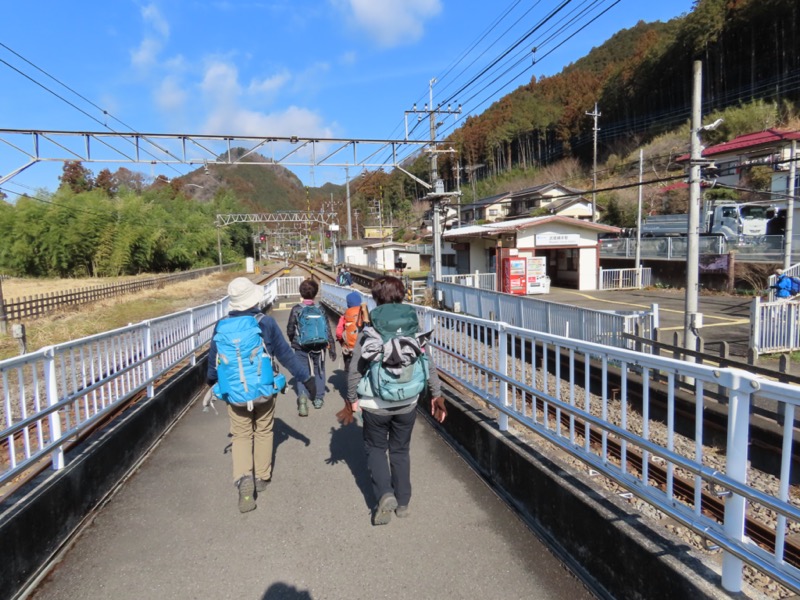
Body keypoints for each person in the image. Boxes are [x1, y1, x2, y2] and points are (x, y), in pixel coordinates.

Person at [342, 276, 447, 526]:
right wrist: (436, 394)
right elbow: (427, 363)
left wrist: (351, 399)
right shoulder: (411, 325)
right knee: (400, 450)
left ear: (376, 298)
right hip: (408, 401)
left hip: (376, 405)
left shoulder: (371, 327)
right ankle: (403, 502)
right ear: (401, 296)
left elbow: (356, 368)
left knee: (377, 448)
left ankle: (385, 495)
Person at [207, 277, 317, 513]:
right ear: (252, 299)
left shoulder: (221, 326)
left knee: (241, 435)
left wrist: (213, 382)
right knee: (264, 430)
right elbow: (286, 355)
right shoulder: (264, 322)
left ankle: (244, 478)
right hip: (264, 390)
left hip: (235, 392)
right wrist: (306, 378)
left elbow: (213, 363)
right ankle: (261, 477)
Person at [287, 278, 336, 415]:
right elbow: (327, 330)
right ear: (315, 293)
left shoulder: (296, 309)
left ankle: (302, 398)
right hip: (319, 346)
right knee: (319, 371)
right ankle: (318, 399)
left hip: (301, 346)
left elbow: (290, 329)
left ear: (301, 293)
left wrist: (293, 341)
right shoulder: (320, 309)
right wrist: (331, 347)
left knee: (302, 372)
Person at [335, 290, 368, 374]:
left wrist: (342, 341)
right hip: (363, 347)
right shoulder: (365, 314)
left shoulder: (345, 316)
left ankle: (349, 380)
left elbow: (338, 333)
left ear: (348, 304)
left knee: (349, 368)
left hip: (349, 348)